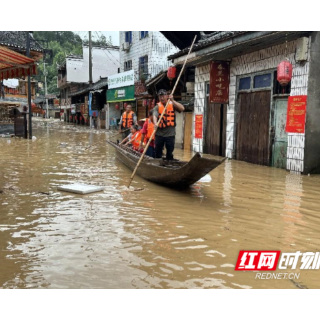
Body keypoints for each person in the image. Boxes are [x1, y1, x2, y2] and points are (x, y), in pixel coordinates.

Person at [153, 89, 184, 160]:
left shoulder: (172, 104)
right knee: (158, 150)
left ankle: (169, 161)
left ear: (167, 96)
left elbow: (182, 108)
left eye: (163, 96)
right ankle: (158, 162)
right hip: (159, 133)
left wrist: (172, 100)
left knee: (170, 150)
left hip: (170, 134)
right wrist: (155, 123)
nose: (162, 98)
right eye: (160, 96)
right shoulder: (157, 107)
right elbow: (155, 115)